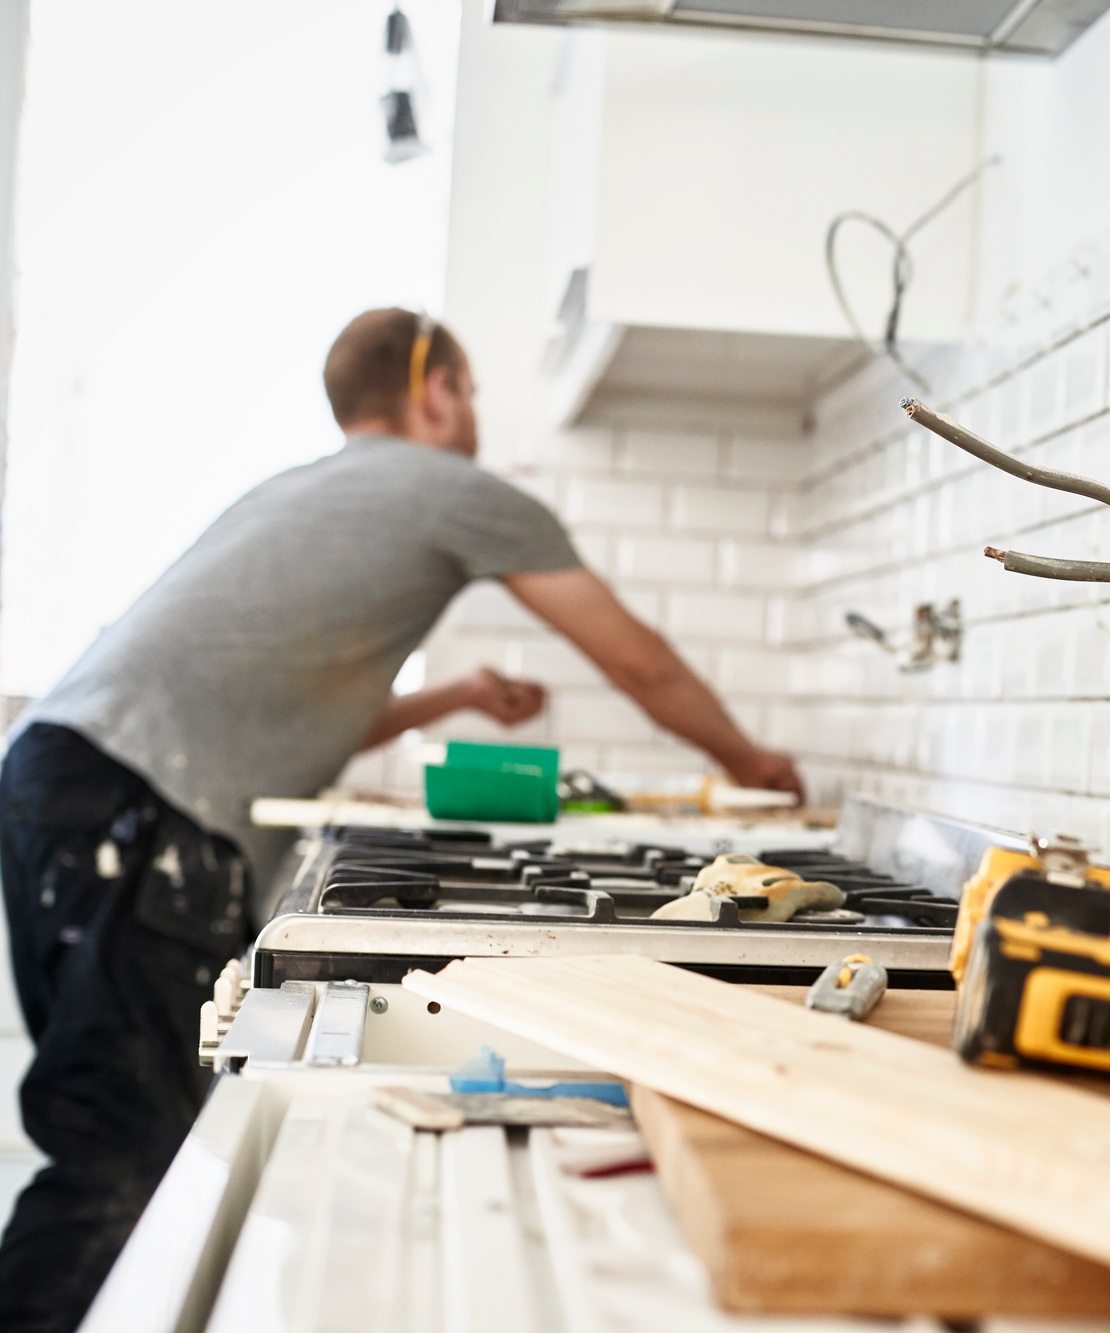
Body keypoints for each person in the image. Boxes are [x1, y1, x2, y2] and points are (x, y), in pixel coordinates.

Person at [0, 308, 801, 1332]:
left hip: (65, 782)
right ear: (436, 389)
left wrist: (453, 696)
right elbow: (634, 658)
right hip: (133, 814)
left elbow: (297, 704)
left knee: (115, 1138)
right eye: (467, 390)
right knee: (118, 1153)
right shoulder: (458, 490)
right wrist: (752, 765)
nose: (472, 413)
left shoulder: (299, 490)